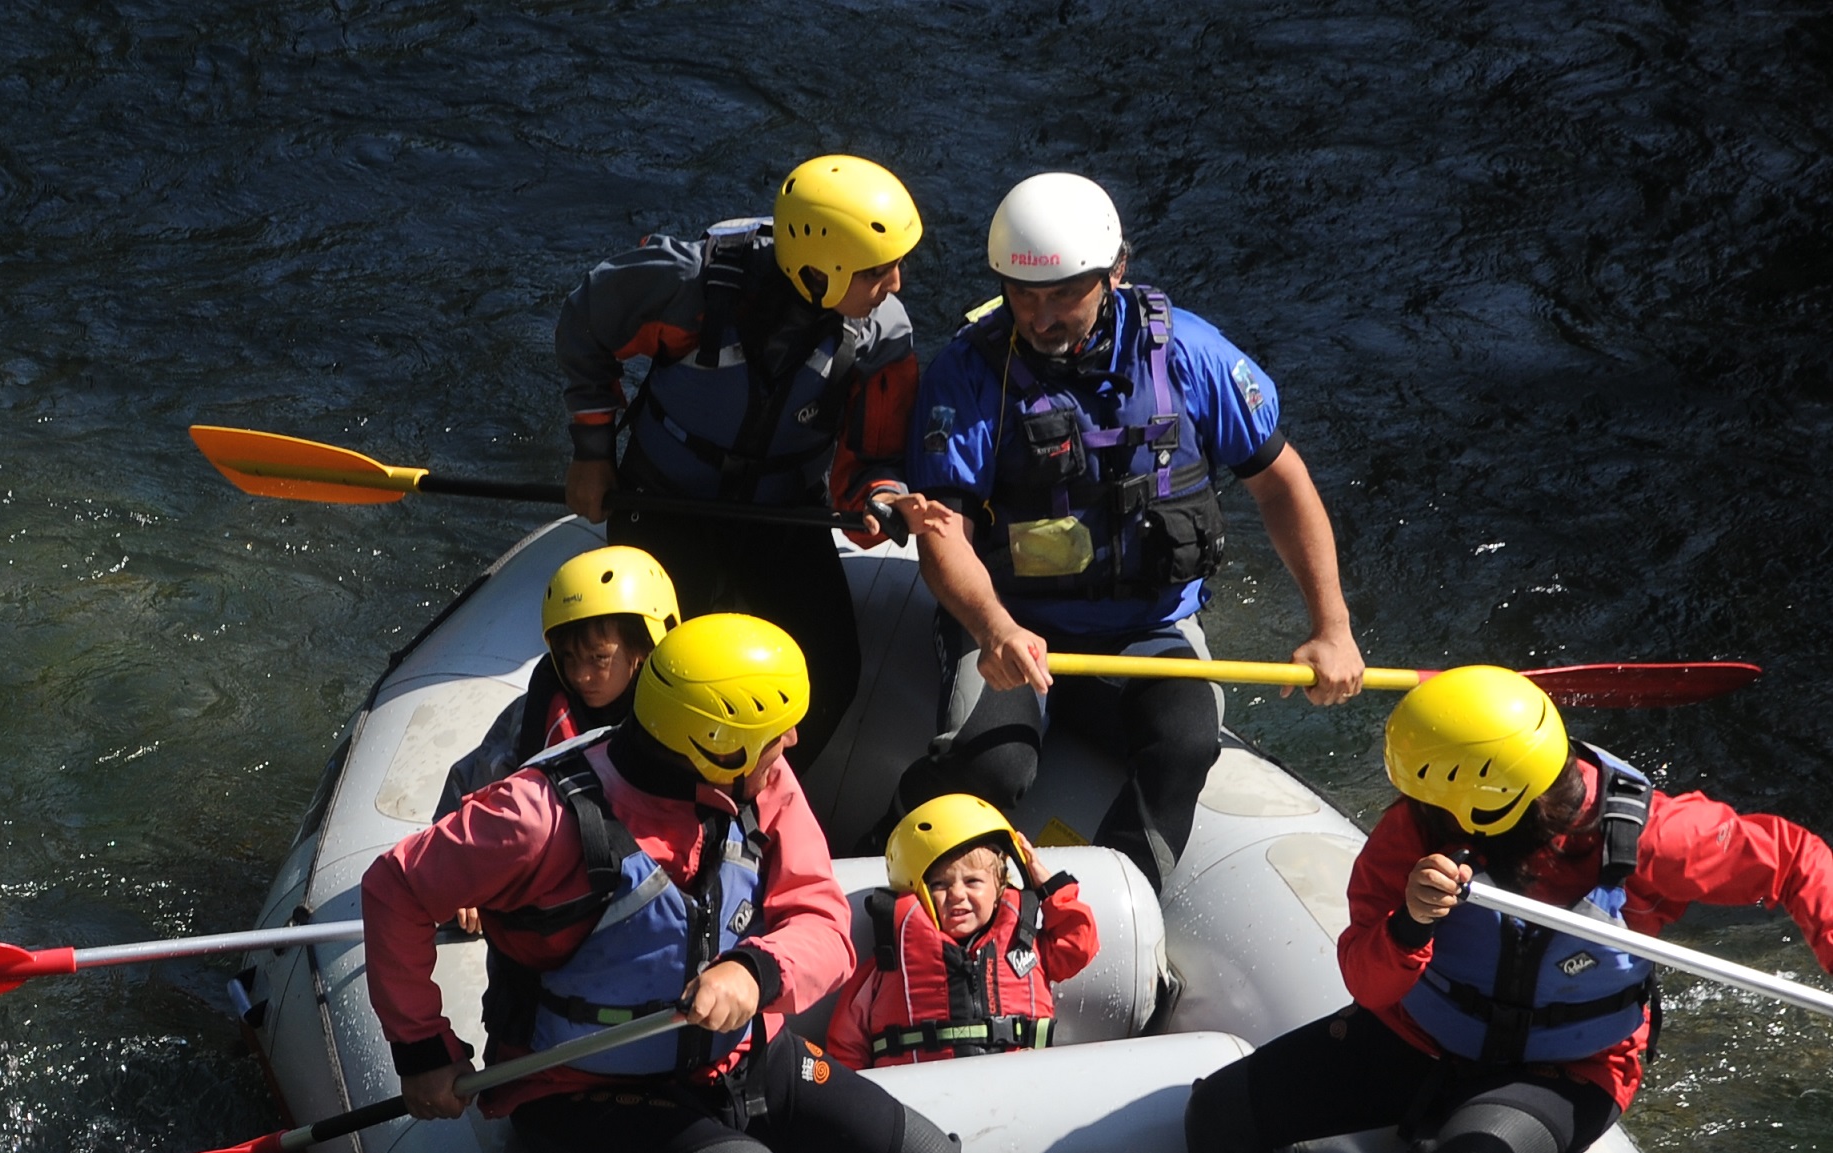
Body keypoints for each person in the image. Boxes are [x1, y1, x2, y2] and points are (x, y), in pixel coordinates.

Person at [364, 613, 964, 1153]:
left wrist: (754, 970)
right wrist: (422, 1049)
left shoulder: (763, 784)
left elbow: (822, 920)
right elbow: (395, 888)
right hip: (575, 1086)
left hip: (736, 1057)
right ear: (715, 742)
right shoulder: (535, 816)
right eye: (775, 732)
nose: (792, 742)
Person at [1186, 667, 1833, 1153]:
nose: (1415, 811)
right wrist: (1410, 923)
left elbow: (1795, 860)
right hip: (1422, 1034)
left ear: (1484, 801)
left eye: (1431, 802)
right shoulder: (1411, 836)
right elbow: (1365, 980)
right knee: (1222, 1111)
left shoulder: (1655, 839)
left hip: (1568, 1070)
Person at [899, 172, 1365, 883]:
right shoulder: (966, 374)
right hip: (1009, 624)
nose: (1040, 318)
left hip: (1149, 630)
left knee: (1183, 744)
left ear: (1113, 272)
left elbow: (1281, 484)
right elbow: (941, 534)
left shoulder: (1192, 356)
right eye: (1023, 294)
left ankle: (1111, 906)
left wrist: (1331, 627)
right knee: (990, 769)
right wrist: (995, 629)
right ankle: (888, 852)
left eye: (1063, 294)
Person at [553, 155, 924, 770]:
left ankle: (751, 800)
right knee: (650, 668)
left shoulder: (880, 334)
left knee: (830, 672)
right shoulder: (687, 284)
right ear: (822, 271)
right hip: (665, 502)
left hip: (784, 517)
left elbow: (876, 451)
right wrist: (592, 453)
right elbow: (584, 323)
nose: (897, 284)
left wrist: (878, 496)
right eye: (877, 271)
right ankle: (619, 789)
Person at [828, 794, 1099, 1068]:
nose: (957, 894)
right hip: (922, 1092)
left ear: (999, 888)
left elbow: (1079, 945)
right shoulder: (887, 965)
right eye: (939, 884)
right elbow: (846, 1046)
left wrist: (1050, 887)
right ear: (916, 891)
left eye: (972, 881)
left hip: (1021, 1087)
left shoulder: (1030, 946)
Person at [436, 545, 681, 817]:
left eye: (599, 658)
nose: (580, 675)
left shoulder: (681, 723)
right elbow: (468, 791)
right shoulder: (532, 713)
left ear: (645, 648)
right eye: (568, 657)